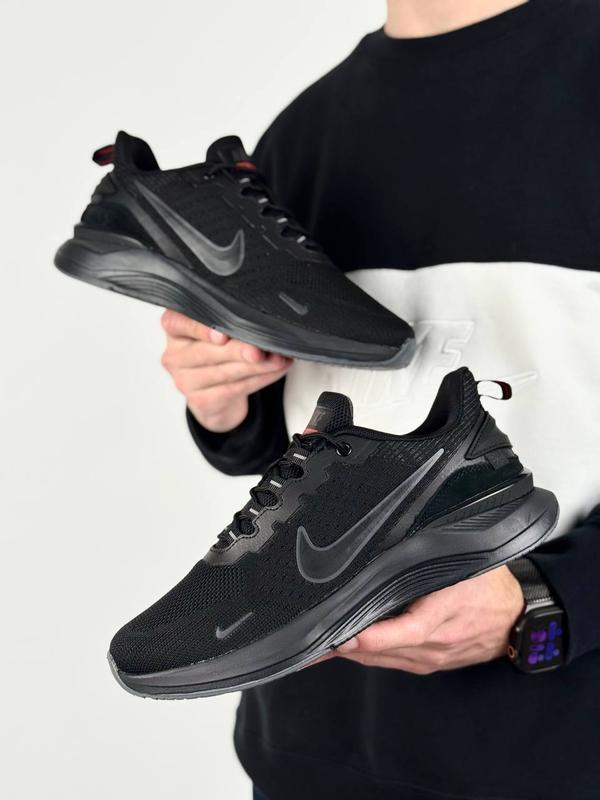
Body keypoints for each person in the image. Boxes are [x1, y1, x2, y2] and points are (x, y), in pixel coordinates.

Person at [160, 1, 600, 798]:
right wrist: (223, 401)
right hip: (309, 753)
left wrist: (544, 601)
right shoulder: (305, 131)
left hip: (560, 753)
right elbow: (310, 448)